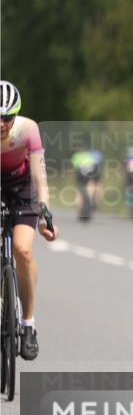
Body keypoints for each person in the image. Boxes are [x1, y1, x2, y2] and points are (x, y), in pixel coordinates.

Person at [0, 81, 59, 360]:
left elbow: (39, 177)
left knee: (23, 250)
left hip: (23, 187)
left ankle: (28, 325)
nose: (1, 123)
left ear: (16, 116)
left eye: (6, 117)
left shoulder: (28, 130)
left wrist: (45, 211)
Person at [71, 146, 104, 220]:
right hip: (92, 171)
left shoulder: (76, 156)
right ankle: (93, 201)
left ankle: (79, 209)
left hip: (81, 172)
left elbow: (75, 168)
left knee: (80, 189)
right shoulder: (90, 155)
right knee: (94, 184)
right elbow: (96, 167)